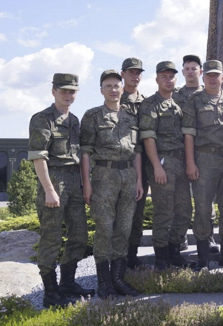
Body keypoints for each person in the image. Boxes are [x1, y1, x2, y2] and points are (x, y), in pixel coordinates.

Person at [28, 73, 94, 308]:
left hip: (74, 181)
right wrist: (49, 190)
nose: (68, 95)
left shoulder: (74, 120)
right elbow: (38, 158)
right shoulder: (42, 119)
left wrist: (85, 184)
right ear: (53, 91)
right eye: (64, 90)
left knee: (79, 235)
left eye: (72, 91)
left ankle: (67, 283)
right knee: (51, 238)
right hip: (53, 181)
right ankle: (51, 293)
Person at [80, 70, 143, 299]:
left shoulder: (130, 117)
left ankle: (117, 279)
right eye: (108, 86)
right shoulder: (93, 116)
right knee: (104, 229)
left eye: (117, 85)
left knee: (123, 229)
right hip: (104, 177)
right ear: (101, 90)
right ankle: (104, 282)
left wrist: (138, 179)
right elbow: (85, 152)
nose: (114, 90)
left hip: (127, 176)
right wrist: (86, 184)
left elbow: (136, 151)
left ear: (121, 88)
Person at [182, 60, 223, 270]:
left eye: (216, 75)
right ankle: (203, 258)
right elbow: (189, 134)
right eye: (208, 75)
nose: (212, 78)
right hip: (203, 158)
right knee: (202, 208)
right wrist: (190, 162)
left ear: (222, 78)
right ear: (203, 76)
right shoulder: (195, 100)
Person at [138, 61, 193, 270]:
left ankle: (174, 250)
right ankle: (161, 257)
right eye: (164, 76)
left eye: (171, 76)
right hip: (162, 163)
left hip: (178, 163)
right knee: (164, 212)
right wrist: (156, 166)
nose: (168, 80)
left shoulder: (177, 106)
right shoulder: (150, 104)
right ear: (157, 79)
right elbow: (148, 137)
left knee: (184, 210)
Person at [172, 54, 213, 252]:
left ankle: (209, 236)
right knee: (181, 201)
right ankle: (180, 238)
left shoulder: (210, 94)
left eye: (194, 68)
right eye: (187, 68)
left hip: (205, 153)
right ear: (182, 72)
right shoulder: (175, 97)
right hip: (181, 153)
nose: (190, 71)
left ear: (200, 72)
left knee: (205, 199)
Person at [120, 57, 150, 269]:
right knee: (119, 213)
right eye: (131, 72)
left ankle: (132, 255)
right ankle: (117, 256)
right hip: (118, 164)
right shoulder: (114, 98)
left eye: (138, 72)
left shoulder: (146, 102)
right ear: (123, 74)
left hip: (142, 164)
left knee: (137, 213)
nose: (135, 76)